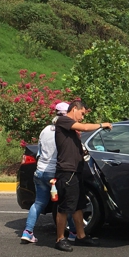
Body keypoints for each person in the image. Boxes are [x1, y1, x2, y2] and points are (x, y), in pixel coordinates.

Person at [54, 100, 112, 252]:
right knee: (65, 206)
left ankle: (81, 236)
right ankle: (60, 238)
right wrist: (102, 124)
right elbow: (85, 127)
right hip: (67, 172)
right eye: (82, 113)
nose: (82, 117)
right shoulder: (63, 120)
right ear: (74, 109)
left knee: (79, 205)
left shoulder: (71, 130)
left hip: (77, 171)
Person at [21, 102, 76, 243]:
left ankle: (28, 232)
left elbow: (39, 151)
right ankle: (73, 233)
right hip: (56, 173)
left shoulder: (45, 130)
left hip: (40, 172)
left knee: (39, 203)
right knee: (65, 203)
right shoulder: (65, 131)